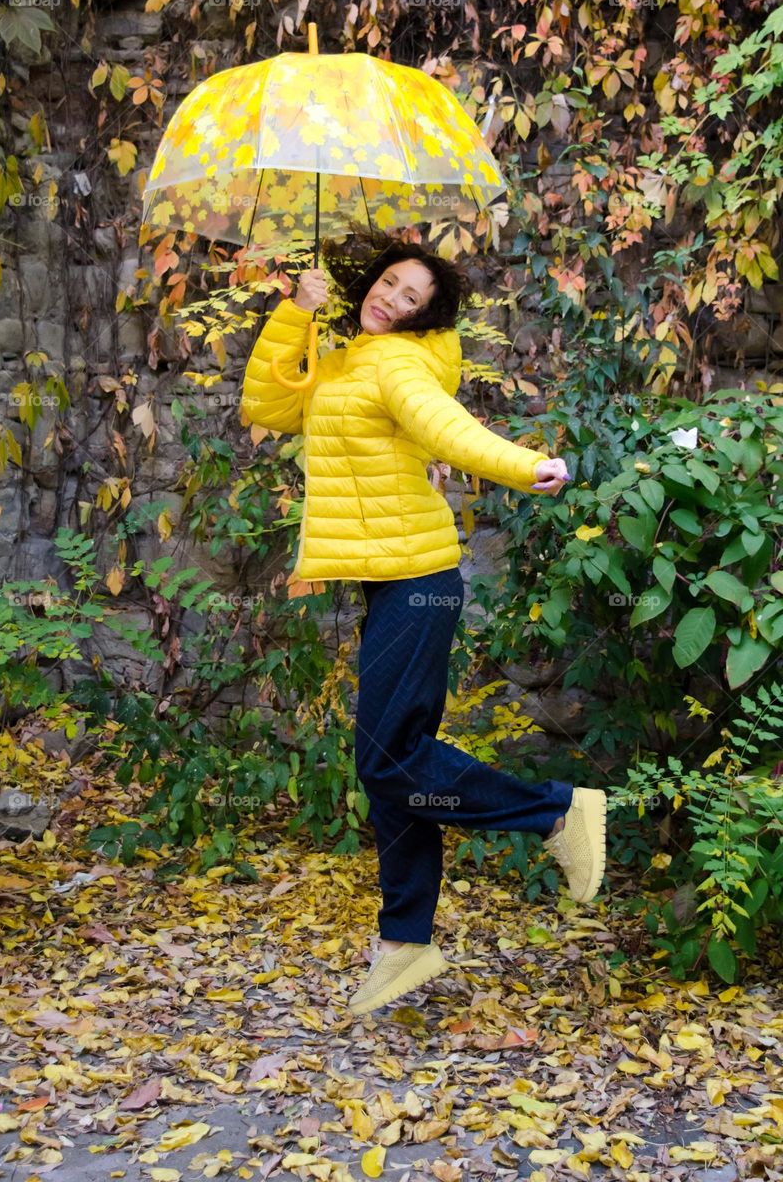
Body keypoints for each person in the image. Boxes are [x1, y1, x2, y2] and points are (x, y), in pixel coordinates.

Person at [240, 228, 607, 1018]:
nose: (391, 299)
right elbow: (265, 407)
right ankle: (404, 945)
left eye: (411, 298)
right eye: (389, 284)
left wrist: (523, 465)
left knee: (388, 761)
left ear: (419, 320)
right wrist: (294, 316)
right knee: (395, 766)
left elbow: (449, 429)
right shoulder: (342, 358)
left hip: (420, 580)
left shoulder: (398, 365)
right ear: (370, 283)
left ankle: (556, 810)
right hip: (387, 582)